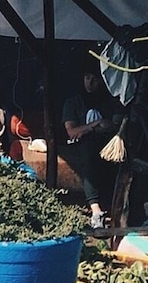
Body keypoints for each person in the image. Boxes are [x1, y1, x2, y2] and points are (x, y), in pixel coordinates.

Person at [59, 66, 124, 229]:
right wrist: (94, 125)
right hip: (82, 146)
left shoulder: (110, 101)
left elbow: (115, 123)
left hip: (108, 145)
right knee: (90, 158)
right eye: (87, 78)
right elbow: (72, 132)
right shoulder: (73, 102)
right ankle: (96, 210)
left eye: (95, 79)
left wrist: (107, 126)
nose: (90, 83)